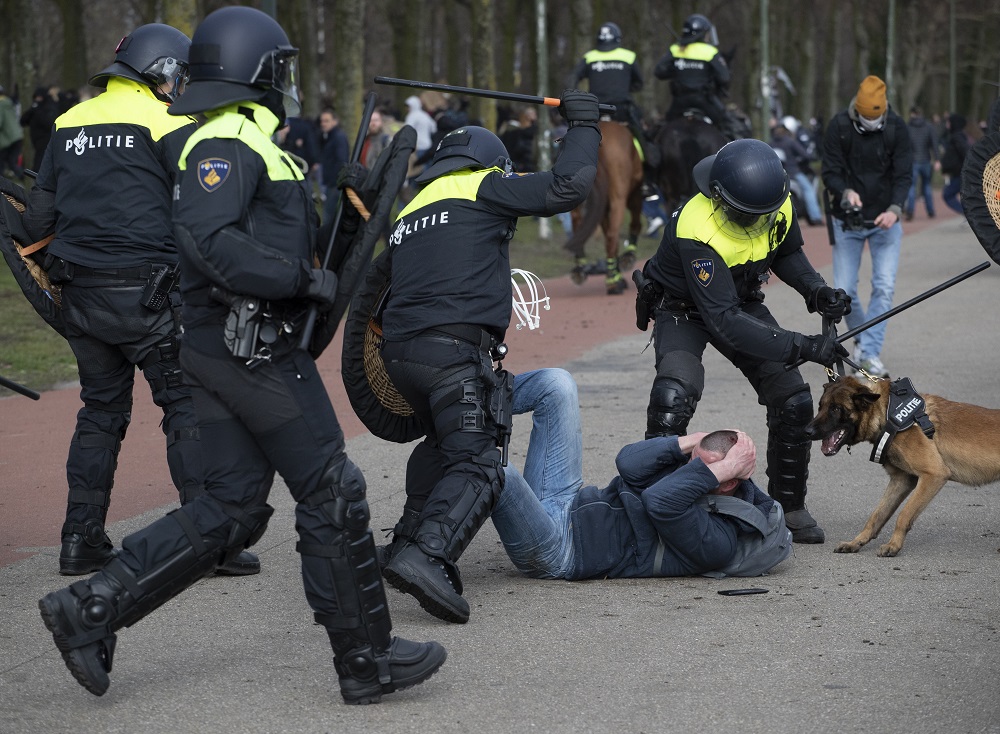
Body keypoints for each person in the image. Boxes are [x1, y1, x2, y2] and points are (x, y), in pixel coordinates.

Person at [37, 6, 445, 704]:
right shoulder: (226, 140)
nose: (285, 77)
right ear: (252, 67)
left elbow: (286, 249)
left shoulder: (245, 139)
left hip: (221, 347)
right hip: (249, 349)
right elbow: (207, 239)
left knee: (231, 509)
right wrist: (298, 280)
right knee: (332, 491)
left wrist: (353, 210)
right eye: (279, 65)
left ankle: (91, 608)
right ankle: (366, 660)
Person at [21, 24, 257, 578]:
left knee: (100, 412)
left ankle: (80, 539)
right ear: (164, 72)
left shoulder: (67, 123)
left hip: (81, 297)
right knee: (186, 406)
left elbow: (36, 220)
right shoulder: (170, 123)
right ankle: (208, 540)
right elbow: (208, 212)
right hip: (153, 297)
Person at [376, 93, 602, 624]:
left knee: (443, 441)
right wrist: (584, 124)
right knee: (478, 459)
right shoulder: (482, 185)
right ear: (489, 164)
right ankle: (428, 555)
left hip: (399, 357)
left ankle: (403, 543)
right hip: (453, 351)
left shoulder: (412, 208)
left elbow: (374, 292)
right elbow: (567, 186)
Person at [636, 138, 851, 545]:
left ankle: (789, 506)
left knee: (793, 400)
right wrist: (803, 346)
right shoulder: (695, 226)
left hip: (740, 300)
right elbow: (725, 322)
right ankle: (651, 507)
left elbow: (786, 254)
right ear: (717, 196)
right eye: (743, 215)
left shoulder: (776, 203)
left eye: (762, 216)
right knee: (673, 396)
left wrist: (817, 292)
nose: (755, 223)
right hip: (685, 309)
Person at [491, 368, 792, 580]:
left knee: (492, 465)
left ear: (727, 484)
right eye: (691, 461)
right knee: (557, 384)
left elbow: (659, 500)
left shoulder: (720, 540)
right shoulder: (695, 472)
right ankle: (457, 402)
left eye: (702, 468)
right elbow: (628, 463)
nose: (689, 469)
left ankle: (442, 537)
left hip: (558, 550)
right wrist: (692, 441)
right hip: (565, 502)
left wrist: (721, 467)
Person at [821, 75, 912, 379]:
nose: (871, 123)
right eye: (865, 118)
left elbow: (903, 175)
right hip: (848, 220)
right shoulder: (839, 127)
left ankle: (870, 354)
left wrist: (895, 209)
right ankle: (863, 339)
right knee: (844, 290)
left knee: (884, 286)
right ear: (856, 111)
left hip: (885, 219)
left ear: (884, 111)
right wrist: (846, 192)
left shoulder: (898, 129)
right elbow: (830, 172)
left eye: (876, 118)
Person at [565, 21, 654, 166]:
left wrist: (574, 97)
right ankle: (649, 171)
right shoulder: (628, 56)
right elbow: (639, 83)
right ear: (618, 39)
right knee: (641, 136)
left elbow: (572, 78)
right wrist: (623, 88)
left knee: (573, 137)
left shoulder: (590, 57)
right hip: (622, 110)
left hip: (595, 111)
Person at [654, 14, 740, 140]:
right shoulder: (710, 51)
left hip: (679, 102)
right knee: (729, 125)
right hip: (704, 101)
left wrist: (678, 69)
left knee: (660, 131)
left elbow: (659, 72)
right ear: (701, 34)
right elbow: (724, 78)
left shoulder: (676, 49)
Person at [770, 118, 823, 225]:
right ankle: (815, 217)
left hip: (776, 175)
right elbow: (805, 154)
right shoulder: (790, 142)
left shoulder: (771, 143)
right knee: (808, 190)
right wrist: (812, 157)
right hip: (793, 173)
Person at [317, 106, 349, 224]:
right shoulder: (328, 136)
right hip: (331, 182)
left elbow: (342, 160)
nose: (323, 124)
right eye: (322, 121)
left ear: (335, 121)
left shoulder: (338, 137)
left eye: (326, 121)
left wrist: (337, 180)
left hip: (335, 183)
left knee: (329, 215)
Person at [905, 106, 937, 220]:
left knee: (911, 187)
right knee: (927, 186)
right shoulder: (928, 126)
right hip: (926, 159)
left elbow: (905, 145)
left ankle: (910, 211)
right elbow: (934, 143)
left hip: (913, 160)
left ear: (911, 114)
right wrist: (937, 159)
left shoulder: (908, 127)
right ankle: (931, 211)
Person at [19, 85, 60, 172]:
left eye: (40, 97)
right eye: (36, 97)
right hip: (36, 140)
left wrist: (37, 111)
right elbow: (23, 121)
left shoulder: (49, 107)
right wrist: (33, 110)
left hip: (46, 139)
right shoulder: (35, 107)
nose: (38, 99)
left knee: (40, 162)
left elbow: (49, 123)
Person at [938, 112, 970, 214]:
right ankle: (968, 214)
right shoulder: (956, 137)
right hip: (958, 172)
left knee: (947, 194)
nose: (947, 125)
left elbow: (965, 153)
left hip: (960, 173)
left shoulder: (957, 138)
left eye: (949, 122)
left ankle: (968, 214)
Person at [0, 83, 24, 180]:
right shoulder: (9, 103)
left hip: (7, 139)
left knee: (4, 162)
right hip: (17, 136)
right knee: (12, 161)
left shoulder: (1, 105)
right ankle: (24, 178)